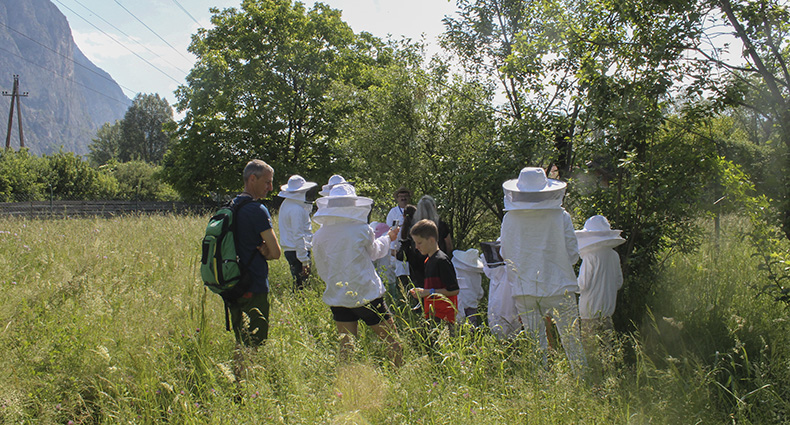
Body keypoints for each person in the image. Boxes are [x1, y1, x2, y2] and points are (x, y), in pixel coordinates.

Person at [499, 166, 586, 374]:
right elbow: (573, 253)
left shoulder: (510, 219)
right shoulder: (561, 216)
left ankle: (542, 388)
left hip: (525, 288)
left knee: (535, 344)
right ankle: (584, 383)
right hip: (561, 285)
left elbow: (505, 254)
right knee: (572, 341)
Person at [312, 183, 403, 366]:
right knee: (393, 343)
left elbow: (322, 269)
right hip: (366, 294)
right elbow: (376, 253)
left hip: (338, 296)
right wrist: (388, 238)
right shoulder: (361, 230)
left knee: (347, 348)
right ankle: (400, 377)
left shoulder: (319, 235)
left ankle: (347, 384)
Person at [230, 159, 282, 348]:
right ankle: (248, 375)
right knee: (255, 341)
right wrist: (267, 252)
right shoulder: (258, 210)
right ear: (252, 179)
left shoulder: (231, 206)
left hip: (232, 283)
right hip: (254, 284)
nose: (270, 187)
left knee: (240, 338)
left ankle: (237, 373)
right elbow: (276, 252)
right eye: (267, 182)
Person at [575, 215, 625, 352]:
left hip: (589, 312)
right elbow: (619, 283)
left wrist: (569, 284)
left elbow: (582, 285)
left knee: (590, 351)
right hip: (607, 311)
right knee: (608, 351)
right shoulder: (614, 255)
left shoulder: (590, 256)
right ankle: (610, 373)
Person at [408, 219, 459, 328]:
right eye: (415, 243)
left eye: (419, 243)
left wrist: (428, 292)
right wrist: (422, 292)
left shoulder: (442, 260)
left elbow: (454, 290)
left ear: (431, 240)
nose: (416, 247)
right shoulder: (428, 260)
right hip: (431, 314)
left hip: (443, 317)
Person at [278, 175, 317, 291]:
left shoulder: (286, 204)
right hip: (297, 251)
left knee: (299, 284)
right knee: (302, 287)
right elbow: (298, 235)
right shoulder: (296, 209)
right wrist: (304, 260)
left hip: (292, 250)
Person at [452, 248, 485, 326]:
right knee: (472, 326)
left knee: (458, 327)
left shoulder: (458, 271)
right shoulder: (476, 276)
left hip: (459, 303)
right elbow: (480, 292)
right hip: (472, 304)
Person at [387, 187, 412, 289]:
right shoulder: (393, 212)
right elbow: (389, 228)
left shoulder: (412, 210)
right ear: (397, 198)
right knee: (398, 268)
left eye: (405, 196)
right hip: (397, 244)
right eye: (401, 196)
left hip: (411, 243)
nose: (403, 198)